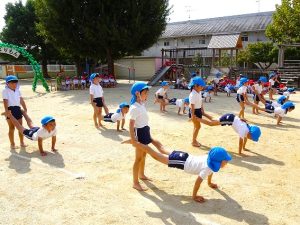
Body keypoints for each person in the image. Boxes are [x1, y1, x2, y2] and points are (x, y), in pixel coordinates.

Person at [123, 140, 232, 203]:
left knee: (161, 148)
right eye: (225, 161)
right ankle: (136, 143)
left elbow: (211, 171)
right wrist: (194, 196)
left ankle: (149, 138)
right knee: (156, 156)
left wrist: (209, 183)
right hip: (181, 162)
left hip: (184, 156)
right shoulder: (207, 168)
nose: (226, 162)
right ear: (218, 161)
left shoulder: (209, 159)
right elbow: (198, 181)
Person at [128, 82, 169, 191]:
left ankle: (141, 174)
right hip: (139, 133)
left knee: (144, 156)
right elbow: (131, 125)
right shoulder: (134, 107)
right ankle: (135, 182)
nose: (147, 95)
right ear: (137, 93)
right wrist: (133, 139)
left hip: (145, 130)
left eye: (147, 92)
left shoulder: (141, 104)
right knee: (138, 158)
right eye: (145, 93)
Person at [2, 75, 28, 149]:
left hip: (18, 109)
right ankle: (12, 144)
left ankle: (22, 142)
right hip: (10, 109)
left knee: (20, 128)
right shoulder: (5, 91)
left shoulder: (18, 90)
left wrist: (25, 108)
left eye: (15, 82)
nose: (14, 84)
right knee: (11, 128)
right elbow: (5, 101)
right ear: (7, 84)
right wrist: (7, 111)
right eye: (11, 83)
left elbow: (21, 99)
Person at [189, 77, 214, 147]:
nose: (202, 87)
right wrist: (193, 115)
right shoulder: (193, 94)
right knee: (197, 127)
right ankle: (193, 141)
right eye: (201, 86)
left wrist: (202, 109)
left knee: (196, 126)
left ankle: (194, 139)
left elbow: (200, 101)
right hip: (194, 111)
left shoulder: (198, 92)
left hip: (198, 110)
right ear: (195, 86)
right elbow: (192, 106)